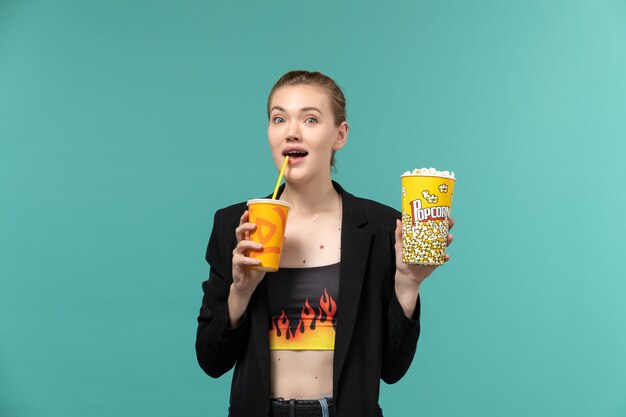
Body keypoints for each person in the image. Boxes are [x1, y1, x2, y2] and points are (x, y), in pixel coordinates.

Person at [195, 70, 454, 417]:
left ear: (340, 134)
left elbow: (392, 370)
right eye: (278, 119)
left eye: (311, 119)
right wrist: (239, 293)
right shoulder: (235, 225)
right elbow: (211, 360)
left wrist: (408, 284)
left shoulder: (380, 228)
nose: (291, 132)